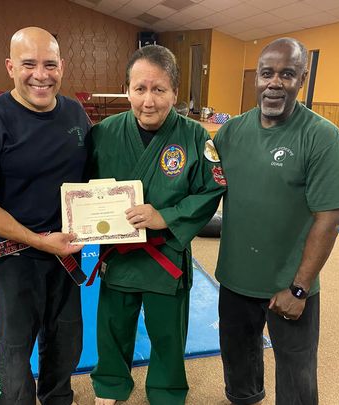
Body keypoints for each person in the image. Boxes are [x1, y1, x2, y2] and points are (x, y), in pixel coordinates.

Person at [0, 27, 91, 405]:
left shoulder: (75, 113)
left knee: (65, 339)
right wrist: (39, 241)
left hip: (66, 252)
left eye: (50, 64)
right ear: (11, 67)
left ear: (62, 67)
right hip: (15, 258)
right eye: (29, 64)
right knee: (14, 350)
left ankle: (57, 397)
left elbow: (90, 179)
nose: (40, 75)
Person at [86, 45, 226, 405]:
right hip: (118, 253)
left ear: (175, 93)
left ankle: (166, 390)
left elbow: (212, 189)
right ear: (126, 90)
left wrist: (166, 216)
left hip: (166, 255)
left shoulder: (195, 137)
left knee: (167, 332)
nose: (148, 101)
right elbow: (83, 188)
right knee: (113, 324)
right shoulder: (103, 133)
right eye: (140, 89)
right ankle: (111, 383)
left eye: (159, 89)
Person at [213, 37, 339, 405]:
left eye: (287, 74)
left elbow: (329, 219)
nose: (274, 82)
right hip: (236, 279)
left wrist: (300, 288)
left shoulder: (323, 137)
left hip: (289, 285)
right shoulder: (231, 132)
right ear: (256, 78)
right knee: (238, 364)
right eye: (266, 73)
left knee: (296, 373)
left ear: (302, 79)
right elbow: (204, 189)